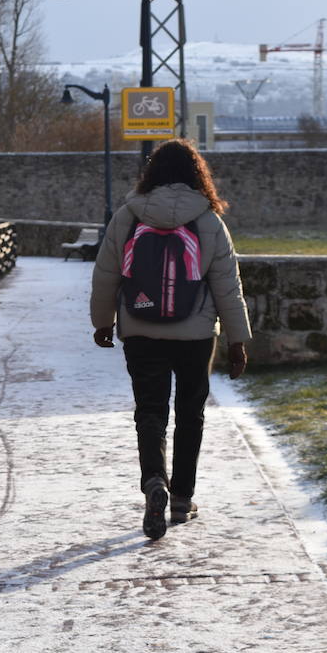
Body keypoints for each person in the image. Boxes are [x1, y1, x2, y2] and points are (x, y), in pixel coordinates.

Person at [89, 139, 250, 540]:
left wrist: (103, 321)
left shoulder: (128, 216)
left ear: (152, 174)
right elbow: (228, 286)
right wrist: (237, 340)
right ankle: (181, 498)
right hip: (195, 332)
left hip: (140, 328)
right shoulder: (209, 221)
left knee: (150, 411)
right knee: (190, 414)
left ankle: (153, 482)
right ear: (198, 175)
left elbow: (106, 273)